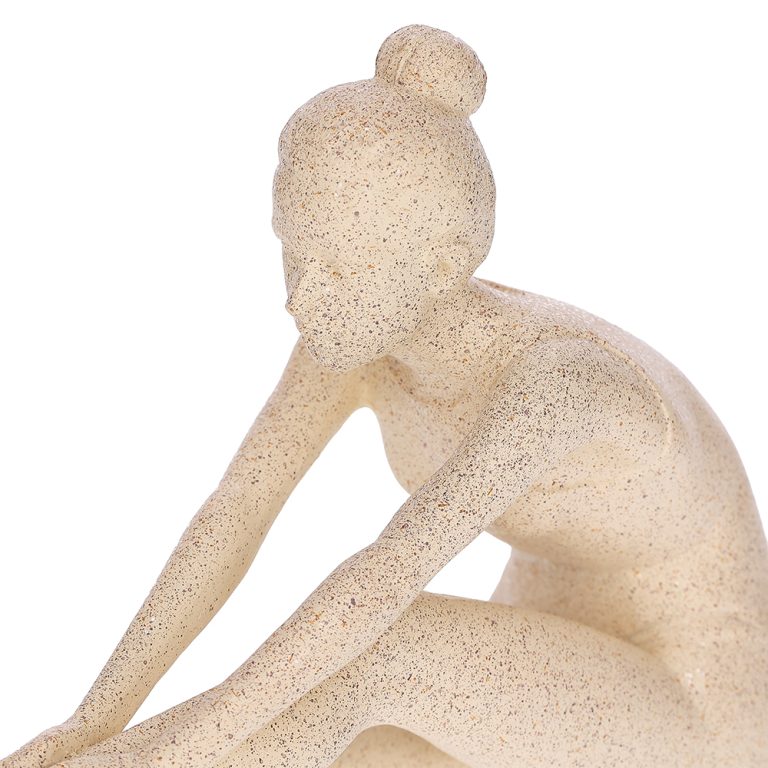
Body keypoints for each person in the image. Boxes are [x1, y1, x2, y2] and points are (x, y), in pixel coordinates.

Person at [3, 23, 767, 768]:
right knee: (324, 733)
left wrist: (164, 751)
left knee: (382, 655)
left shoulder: (563, 384)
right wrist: (94, 721)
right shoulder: (356, 339)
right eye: (293, 253)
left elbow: (383, 583)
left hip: (700, 697)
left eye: (338, 270)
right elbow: (234, 516)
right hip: (555, 650)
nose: (301, 297)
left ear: (440, 265)